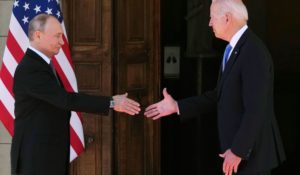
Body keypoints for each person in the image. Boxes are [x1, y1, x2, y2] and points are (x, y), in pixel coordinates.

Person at [145, 0, 286, 174]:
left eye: (212, 17)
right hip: (239, 155)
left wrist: (238, 150)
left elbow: (255, 109)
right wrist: (177, 106)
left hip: (251, 157)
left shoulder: (252, 52)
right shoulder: (233, 49)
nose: (210, 23)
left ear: (227, 18)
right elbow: (219, 95)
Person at [11, 14, 140, 175]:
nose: (62, 42)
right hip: (36, 158)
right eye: (57, 36)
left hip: (47, 155)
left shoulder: (42, 64)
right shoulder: (31, 68)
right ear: (38, 35)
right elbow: (65, 99)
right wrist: (111, 102)